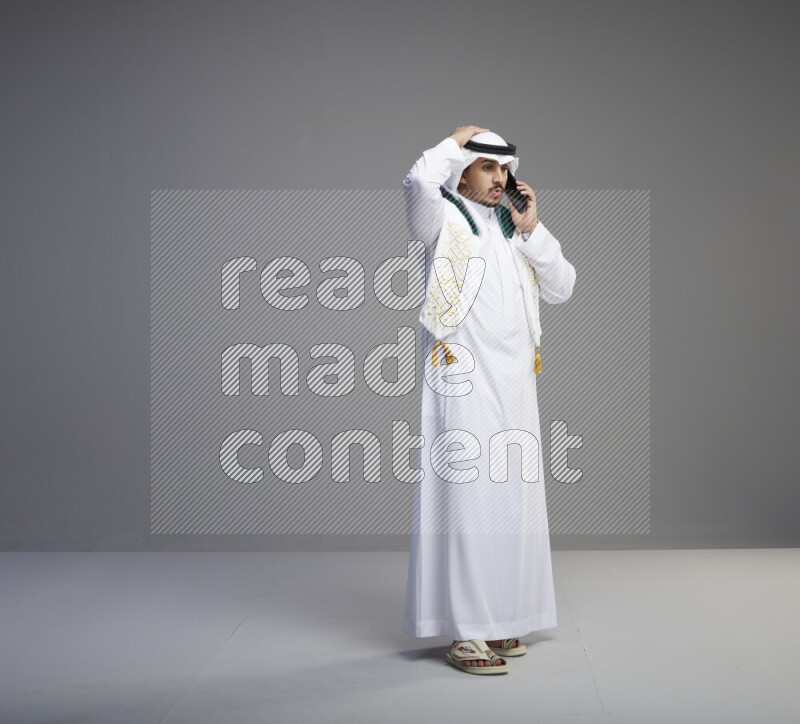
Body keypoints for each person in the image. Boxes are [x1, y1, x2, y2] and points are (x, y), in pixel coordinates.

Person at [401, 126, 577, 675]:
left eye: (504, 169)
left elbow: (563, 286)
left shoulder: (514, 228)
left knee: (515, 504)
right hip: (462, 380)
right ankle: (467, 633)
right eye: (486, 167)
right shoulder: (442, 217)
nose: (499, 179)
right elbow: (417, 182)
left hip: (516, 384)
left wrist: (533, 228)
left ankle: (501, 621)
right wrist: (456, 140)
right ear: (462, 172)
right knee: (470, 502)